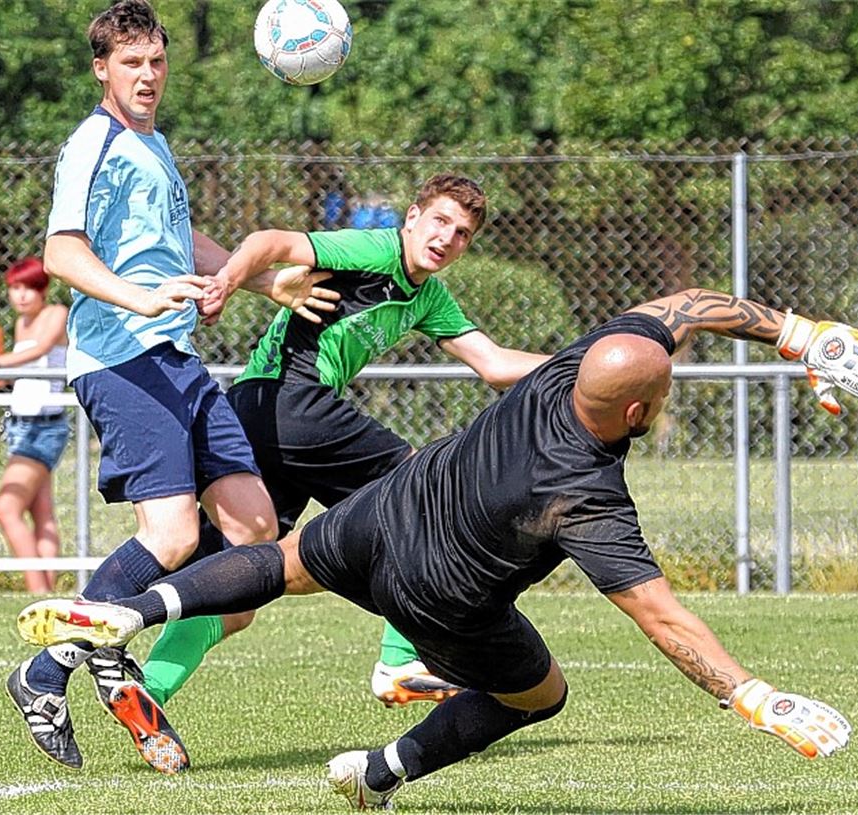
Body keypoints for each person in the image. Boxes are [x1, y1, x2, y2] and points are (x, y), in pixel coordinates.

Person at [16, 288, 858, 808]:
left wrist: (797, 333)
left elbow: (685, 307)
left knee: (283, 563)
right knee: (538, 692)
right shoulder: (588, 495)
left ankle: (126, 609)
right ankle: (382, 770)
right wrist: (754, 695)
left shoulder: (573, 361)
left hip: (384, 512)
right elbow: (660, 615)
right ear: (638, 413)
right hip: (439, 593)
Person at [4, 0, 335, 776]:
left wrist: (253, 281)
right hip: (122, 357)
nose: (148, 75)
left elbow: (179, 241)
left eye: (156, 61)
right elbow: (60, 250)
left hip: (177, 358)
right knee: (175, 535)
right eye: (131, 62)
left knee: (256, 531)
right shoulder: (95, 141)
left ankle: (105, 648)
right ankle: (48, 671)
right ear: (101, 69)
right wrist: (134, 295)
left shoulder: (151, 142)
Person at [122, 173, 551, 767]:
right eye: (440, 222)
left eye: (463, 233)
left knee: (237, 592)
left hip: (273, 417)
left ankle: (143, 688)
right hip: (284, 398)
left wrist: (590, 362)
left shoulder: (428, 297)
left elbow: (496, 363)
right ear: (411, 217)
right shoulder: (373, 250)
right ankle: (399, 660)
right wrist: (227, 280)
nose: (448, 238)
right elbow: (271, 240)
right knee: (416, 487)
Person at [0, 257, 70, 594]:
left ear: (43, 289)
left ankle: (38, 595)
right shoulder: (20, 323)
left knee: (6, 508)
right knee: (41, 513)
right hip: (20, 426)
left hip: (42, 428)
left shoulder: (55, 314)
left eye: (29, 287)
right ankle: (49, 595)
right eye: (15, 288)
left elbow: (42, 350)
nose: (21, 296)